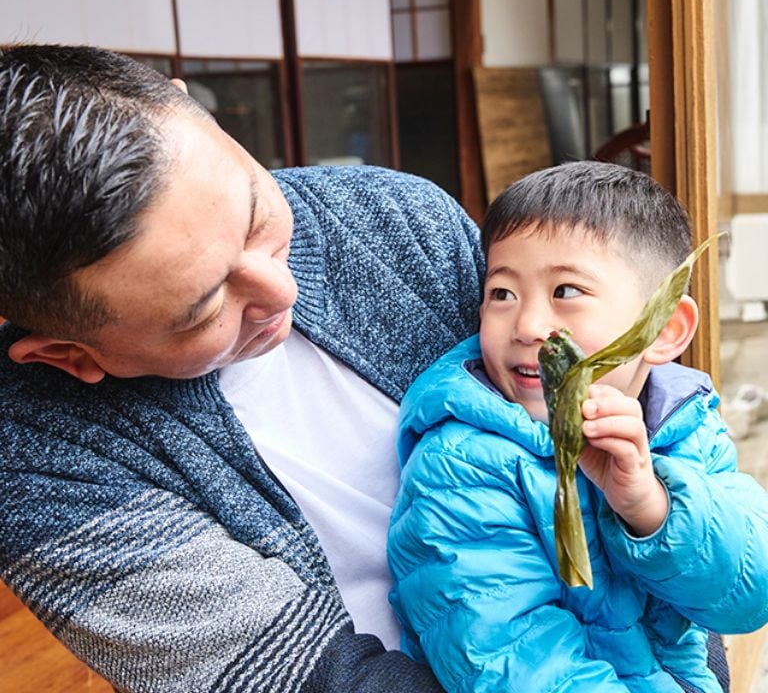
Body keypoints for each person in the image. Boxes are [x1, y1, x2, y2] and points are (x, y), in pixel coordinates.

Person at [0, 44, 486, 692]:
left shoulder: (398, 218)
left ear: (194, 108)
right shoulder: (31, 454)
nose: (279, 290)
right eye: (203, 311)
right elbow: (310, 681)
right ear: (72, 356)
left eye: (257, 212)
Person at [387, 162, 768, 692]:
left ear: (663, 329)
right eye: (502, 294)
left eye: (565, 291)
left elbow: (749, 595)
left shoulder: (685, 423)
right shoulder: (460, 464)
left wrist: (653, 508)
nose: (527, 326)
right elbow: (515, 667)